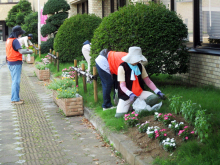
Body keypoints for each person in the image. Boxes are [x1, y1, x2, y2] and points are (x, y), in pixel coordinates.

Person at [115, 46, 165, 117]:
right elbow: (122, 85)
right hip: (126, 94)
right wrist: (130, 94)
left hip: (139, 92)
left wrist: (157, 91)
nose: (138, 61)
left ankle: (136, 105)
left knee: (154, 98)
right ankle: (119, 99)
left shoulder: (140, 66)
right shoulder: (122, 67)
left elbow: (148, 81)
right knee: (119, 116)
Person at [6, 25, 32, 104]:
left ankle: (16, 98)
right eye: (20, 33)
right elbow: (20, 51)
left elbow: (15, 50)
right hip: (15, 62)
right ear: (18, 33)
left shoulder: (8, 40)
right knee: (16, 81)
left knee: (14, 81)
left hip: (10, 62)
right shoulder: (15, 40)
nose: (20, 35)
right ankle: (15, 99)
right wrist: (29, 52)